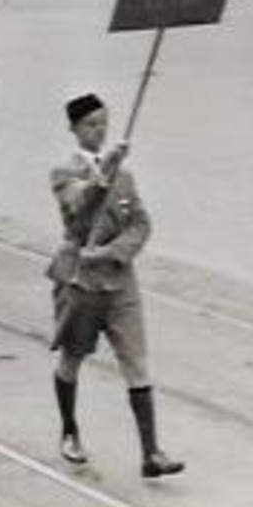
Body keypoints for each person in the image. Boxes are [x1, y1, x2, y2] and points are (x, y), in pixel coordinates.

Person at [48, 93, 184, 479]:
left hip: (120, 283)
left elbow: (141, 223)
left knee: (136, 363)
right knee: (72, 359)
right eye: (91, 124)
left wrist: (113, 251)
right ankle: (69, 430)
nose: (100, 130)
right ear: (74, 129)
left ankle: (151, 453)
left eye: (104, 122)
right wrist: (103, 170)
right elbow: (78, 210)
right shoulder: (64, 172)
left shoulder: (125, 174)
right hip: (80, 284)